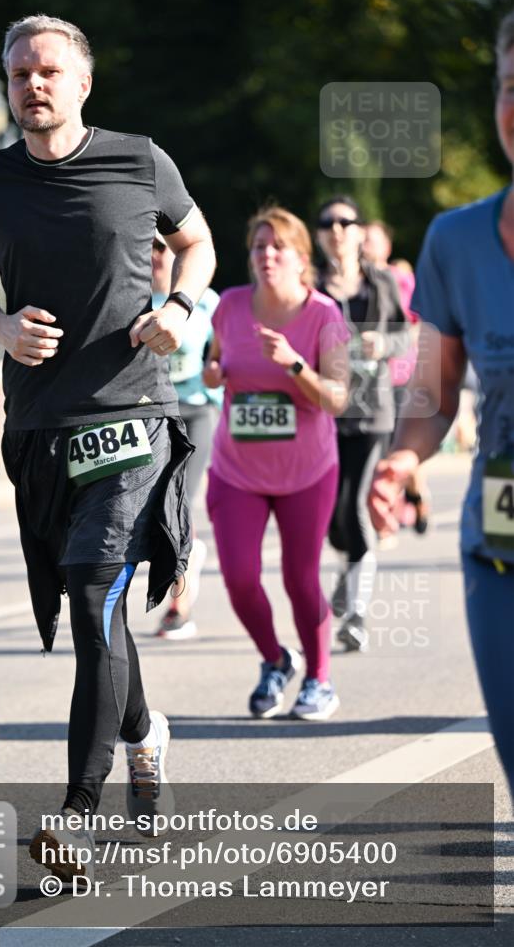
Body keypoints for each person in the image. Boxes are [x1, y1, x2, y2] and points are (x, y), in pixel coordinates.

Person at [0, 15, 216, 879]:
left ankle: (75, 815)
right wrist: (1, 325)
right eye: (20, 72)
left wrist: (176, 310)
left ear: (82, 83)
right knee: (88, 602)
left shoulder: (140, 159)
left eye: (50, 71)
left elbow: (196, 243)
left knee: (100, 581)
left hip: (129, 414)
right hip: (36, 426)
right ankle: (143, 733)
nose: (34, 84)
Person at [369, 10, 514, 801]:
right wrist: (401, 454)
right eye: (508, 85)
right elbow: (431, 389)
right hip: (502, 537)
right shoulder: (456, 241)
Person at [203, 206, 349, 721]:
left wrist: (293, 363)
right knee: (240, 576)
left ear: (301, 259)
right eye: (258, 247)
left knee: (300, 579)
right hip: (237, 469)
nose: (266, 255)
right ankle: (275, 659)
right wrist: (215, 374)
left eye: (278, 247)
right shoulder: (231, 305)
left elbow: (336, 399)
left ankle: (319, 679)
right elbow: (214, 364)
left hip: (306, 471)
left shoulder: (324, 315)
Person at [315, 197, 409, 652]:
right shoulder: (310, 285)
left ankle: (356, 612)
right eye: (328, 223)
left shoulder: (382, 281)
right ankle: (347, 576)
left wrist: (383, 342)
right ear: (317, 234)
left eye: (346, 222)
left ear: (358, 231)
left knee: (355, 505)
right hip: (325, 409)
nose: (337, 229)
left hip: (373, 410)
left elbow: (406, 333)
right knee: (332, 516)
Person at [150, 232, 221, 639]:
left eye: (165, 248)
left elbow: (224, 354)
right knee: (158, 509)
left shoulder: (206, 302)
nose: (157, 256)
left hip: (197, 411)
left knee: (181, 505)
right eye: (151, 248)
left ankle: (180, 607)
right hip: (155, 416)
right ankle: (190, 556)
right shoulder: (135, 302)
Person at [363, 220, 429, 534]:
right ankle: (399, 502)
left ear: (387, 247)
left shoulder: (401, 279)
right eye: (362, 238)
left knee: (398, 444)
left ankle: (413, 493)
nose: (365, 244)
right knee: (383, 445)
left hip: (403, 373)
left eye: (372, 239)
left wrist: (393, 342)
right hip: (370, 378)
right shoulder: (356, 281)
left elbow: (421, 321)